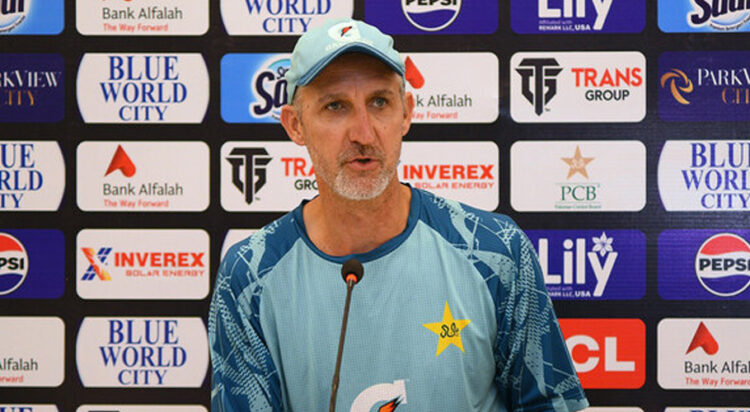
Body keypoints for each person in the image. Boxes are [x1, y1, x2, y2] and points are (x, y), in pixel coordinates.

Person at [209, 18, 588, 412]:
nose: (364, 133)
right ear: (295, 125)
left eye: (379, 103)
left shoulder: (494, 250)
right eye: (335, 106)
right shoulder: (249, 277)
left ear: (406, 113)